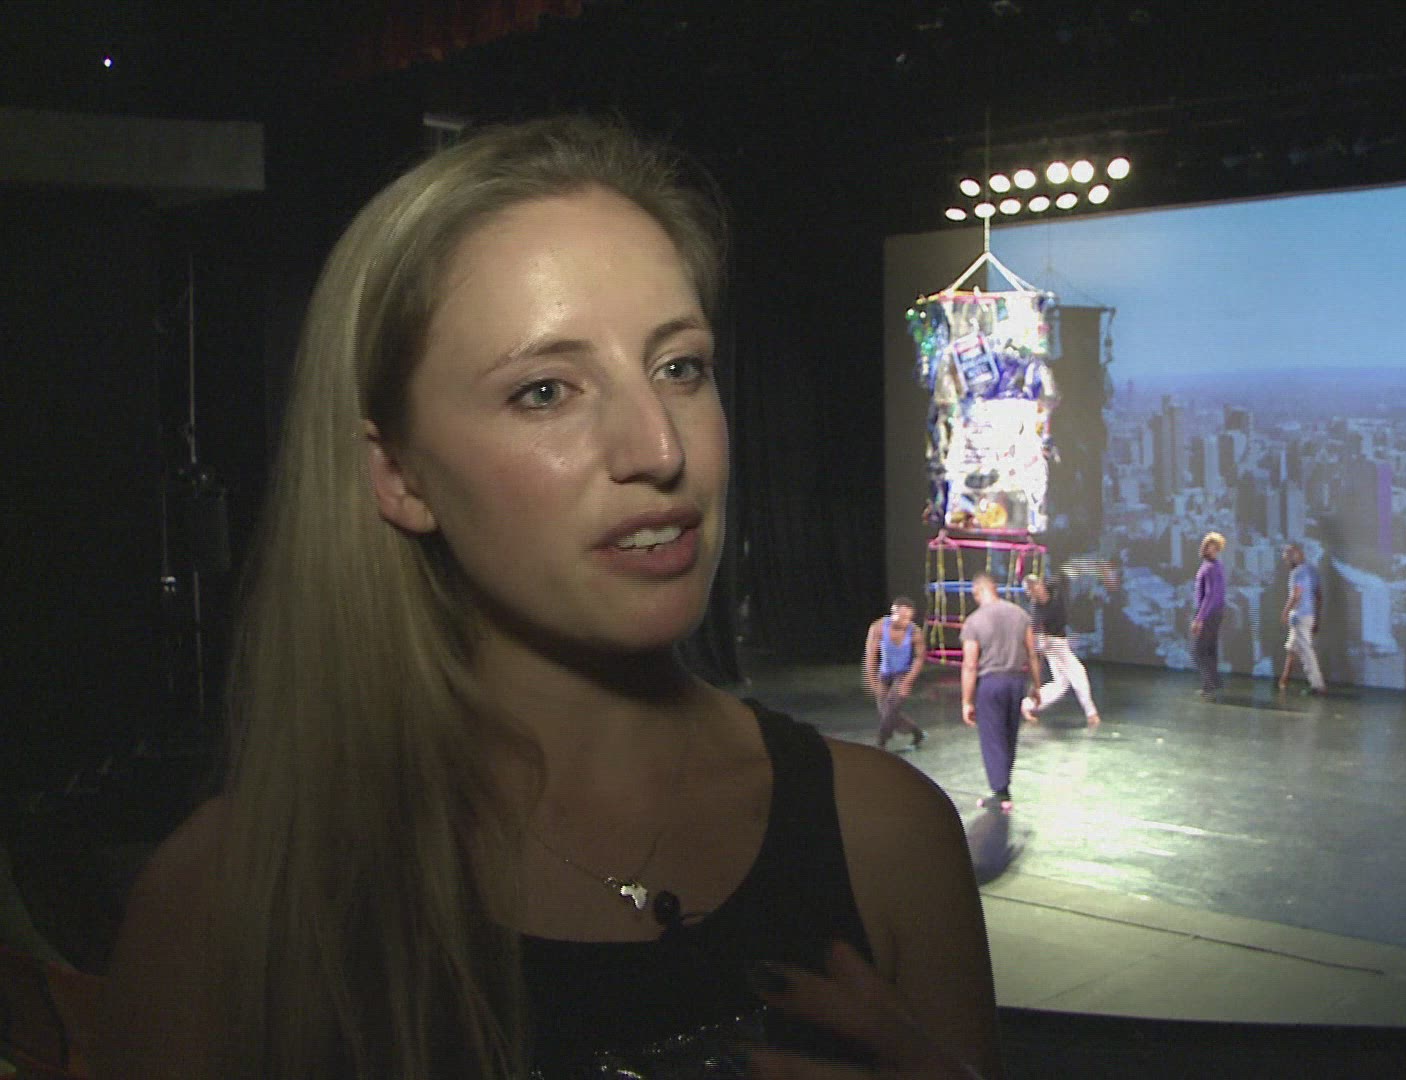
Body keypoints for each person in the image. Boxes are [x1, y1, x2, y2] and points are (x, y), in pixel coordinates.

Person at [98, 117, 997, 1080]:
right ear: (398, 474)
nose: (660, 449)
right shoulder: (227, 905)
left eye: (679, 367)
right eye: (545, 392)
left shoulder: (890, 839)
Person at [959, 574, 1043, 812]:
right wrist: (1036, 686)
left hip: (991, 683)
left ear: (977, 592)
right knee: (1009, 734)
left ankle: (1001, 792)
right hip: (1016, 681)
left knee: (992, 736)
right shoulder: (1020, 615)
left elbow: (970, 664)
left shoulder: (974, 621)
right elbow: (1032, 654)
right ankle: (1004, 787)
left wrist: (966, 700)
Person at [1019, 571, 1100, 729]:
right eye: (1029, 592)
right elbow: (1036, 636)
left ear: (1040, 585)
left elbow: (1064, 577)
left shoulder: (1054, 587)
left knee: (1061, 684)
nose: (1031, 594)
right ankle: (1091, 713)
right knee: (1078, 672)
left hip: (1060, 640)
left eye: (1033, 588)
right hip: (1051, 642)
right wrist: (1041, 646)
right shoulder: (1037, 611)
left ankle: (1028, 704)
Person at [864, 596, 927, 750]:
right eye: (903, 617)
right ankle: (917, 733)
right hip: (885, 673)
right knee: (886, 711)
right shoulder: (878, 627)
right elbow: (870, 656)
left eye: (909, 618)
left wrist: (907, 681)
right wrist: (873, 681)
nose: (906, 621)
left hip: (903, 673)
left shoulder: (915, 632)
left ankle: (880, 744)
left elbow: (919, 658)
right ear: (893, 612)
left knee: (891, 709)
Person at [1278, 543, 1328, 696]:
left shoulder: (1297, 573)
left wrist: (1285, 612)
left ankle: (1318, 685)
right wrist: (1317, 617)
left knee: (1306, 651)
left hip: (1299, 616)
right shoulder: (1311, 570)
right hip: (1308, 615)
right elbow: (1318, 596)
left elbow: (1296, 595)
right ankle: (1284, 680)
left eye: (1287, 558)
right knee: (1292, 648)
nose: (1286, 561)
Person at [1190, 532, 1228, 698]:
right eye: (1205, 545)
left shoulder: (1211, 567)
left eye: (1209, 546)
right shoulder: (1214, 566)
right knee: (1210, 649)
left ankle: (1209, 684)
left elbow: (1210, 594)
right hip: (1214, 612)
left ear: (1216, 549)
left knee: (1199, 650)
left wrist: (1199, 618)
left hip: (1209, 613)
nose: (1205, 548)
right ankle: (1214, 682)